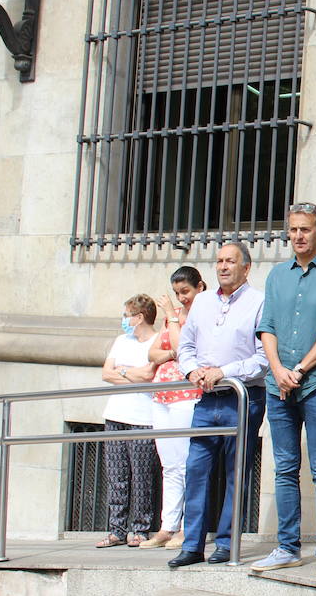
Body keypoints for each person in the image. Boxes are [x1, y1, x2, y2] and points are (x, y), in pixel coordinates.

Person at [252, 203, 316, 579]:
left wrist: (298, 369)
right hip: (278, 385)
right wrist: (277, 370)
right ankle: (287, 547)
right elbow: (268, 327)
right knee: (284, 469)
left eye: (305, 230)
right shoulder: (277, 275)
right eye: (293, 230)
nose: (298, 236)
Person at [168, 242, 269, 568]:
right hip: (205, 401)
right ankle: (193, 543)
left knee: (235, 473)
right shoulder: (202, 303)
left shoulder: (260, 302)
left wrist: (223, 372)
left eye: (231, 261)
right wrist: (192, 369)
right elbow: (185, 346)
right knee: (196, 471)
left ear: (246, 267)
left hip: (241, 398)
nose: (224, 266)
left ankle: (226, 543)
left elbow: (262, 359)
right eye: (220, 261)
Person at [142, 266, 206, 549]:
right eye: (178, 293)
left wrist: (171, 318)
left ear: (199, 288)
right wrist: (168, 351)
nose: (181, 298)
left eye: (186, 292)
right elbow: (153, 352)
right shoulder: (176, 318)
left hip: (186, 395)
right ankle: (168, 525)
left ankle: (186, 527)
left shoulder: (201, 316)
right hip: (163, 395)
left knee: (184, 464)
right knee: (169, 465)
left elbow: (183, 351)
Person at [98, 295, 161, 548]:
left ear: (140, 317)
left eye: (127, 315)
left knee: (142, 476)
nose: (124, 320)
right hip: (115, 415)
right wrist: (130, 374)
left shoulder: (157, 341)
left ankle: (140, 528)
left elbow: (148, 375)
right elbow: (105, 373)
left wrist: (122, 370)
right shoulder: (121, 341)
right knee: (117, 476)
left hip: (143, 418)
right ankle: (116, 529)